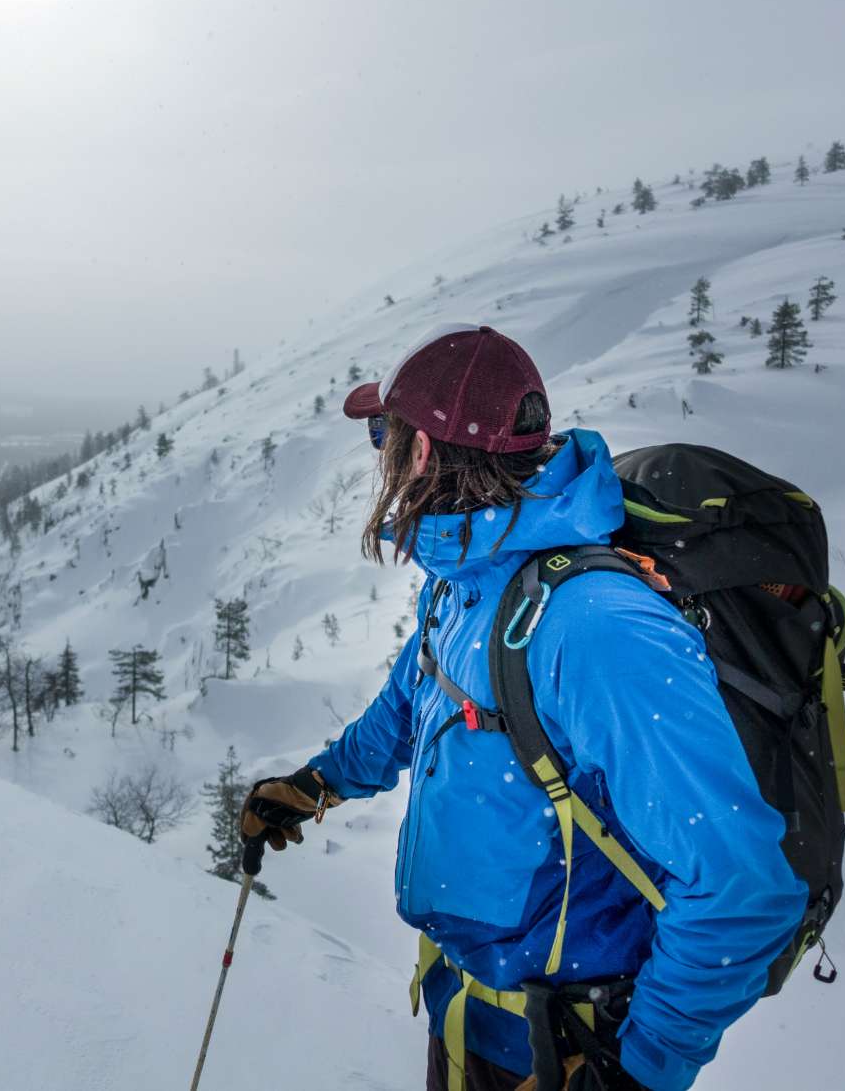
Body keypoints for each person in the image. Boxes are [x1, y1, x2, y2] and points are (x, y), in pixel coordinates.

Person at [240, 325, 803, 1090]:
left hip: (565, 1050)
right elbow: (412, 700)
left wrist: (633, 1074)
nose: (378, 451)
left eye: (384, 432)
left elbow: (743, 887)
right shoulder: (471, 579)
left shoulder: (594, 626)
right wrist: (317, 785)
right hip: (474, 1020)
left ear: (424, 453)